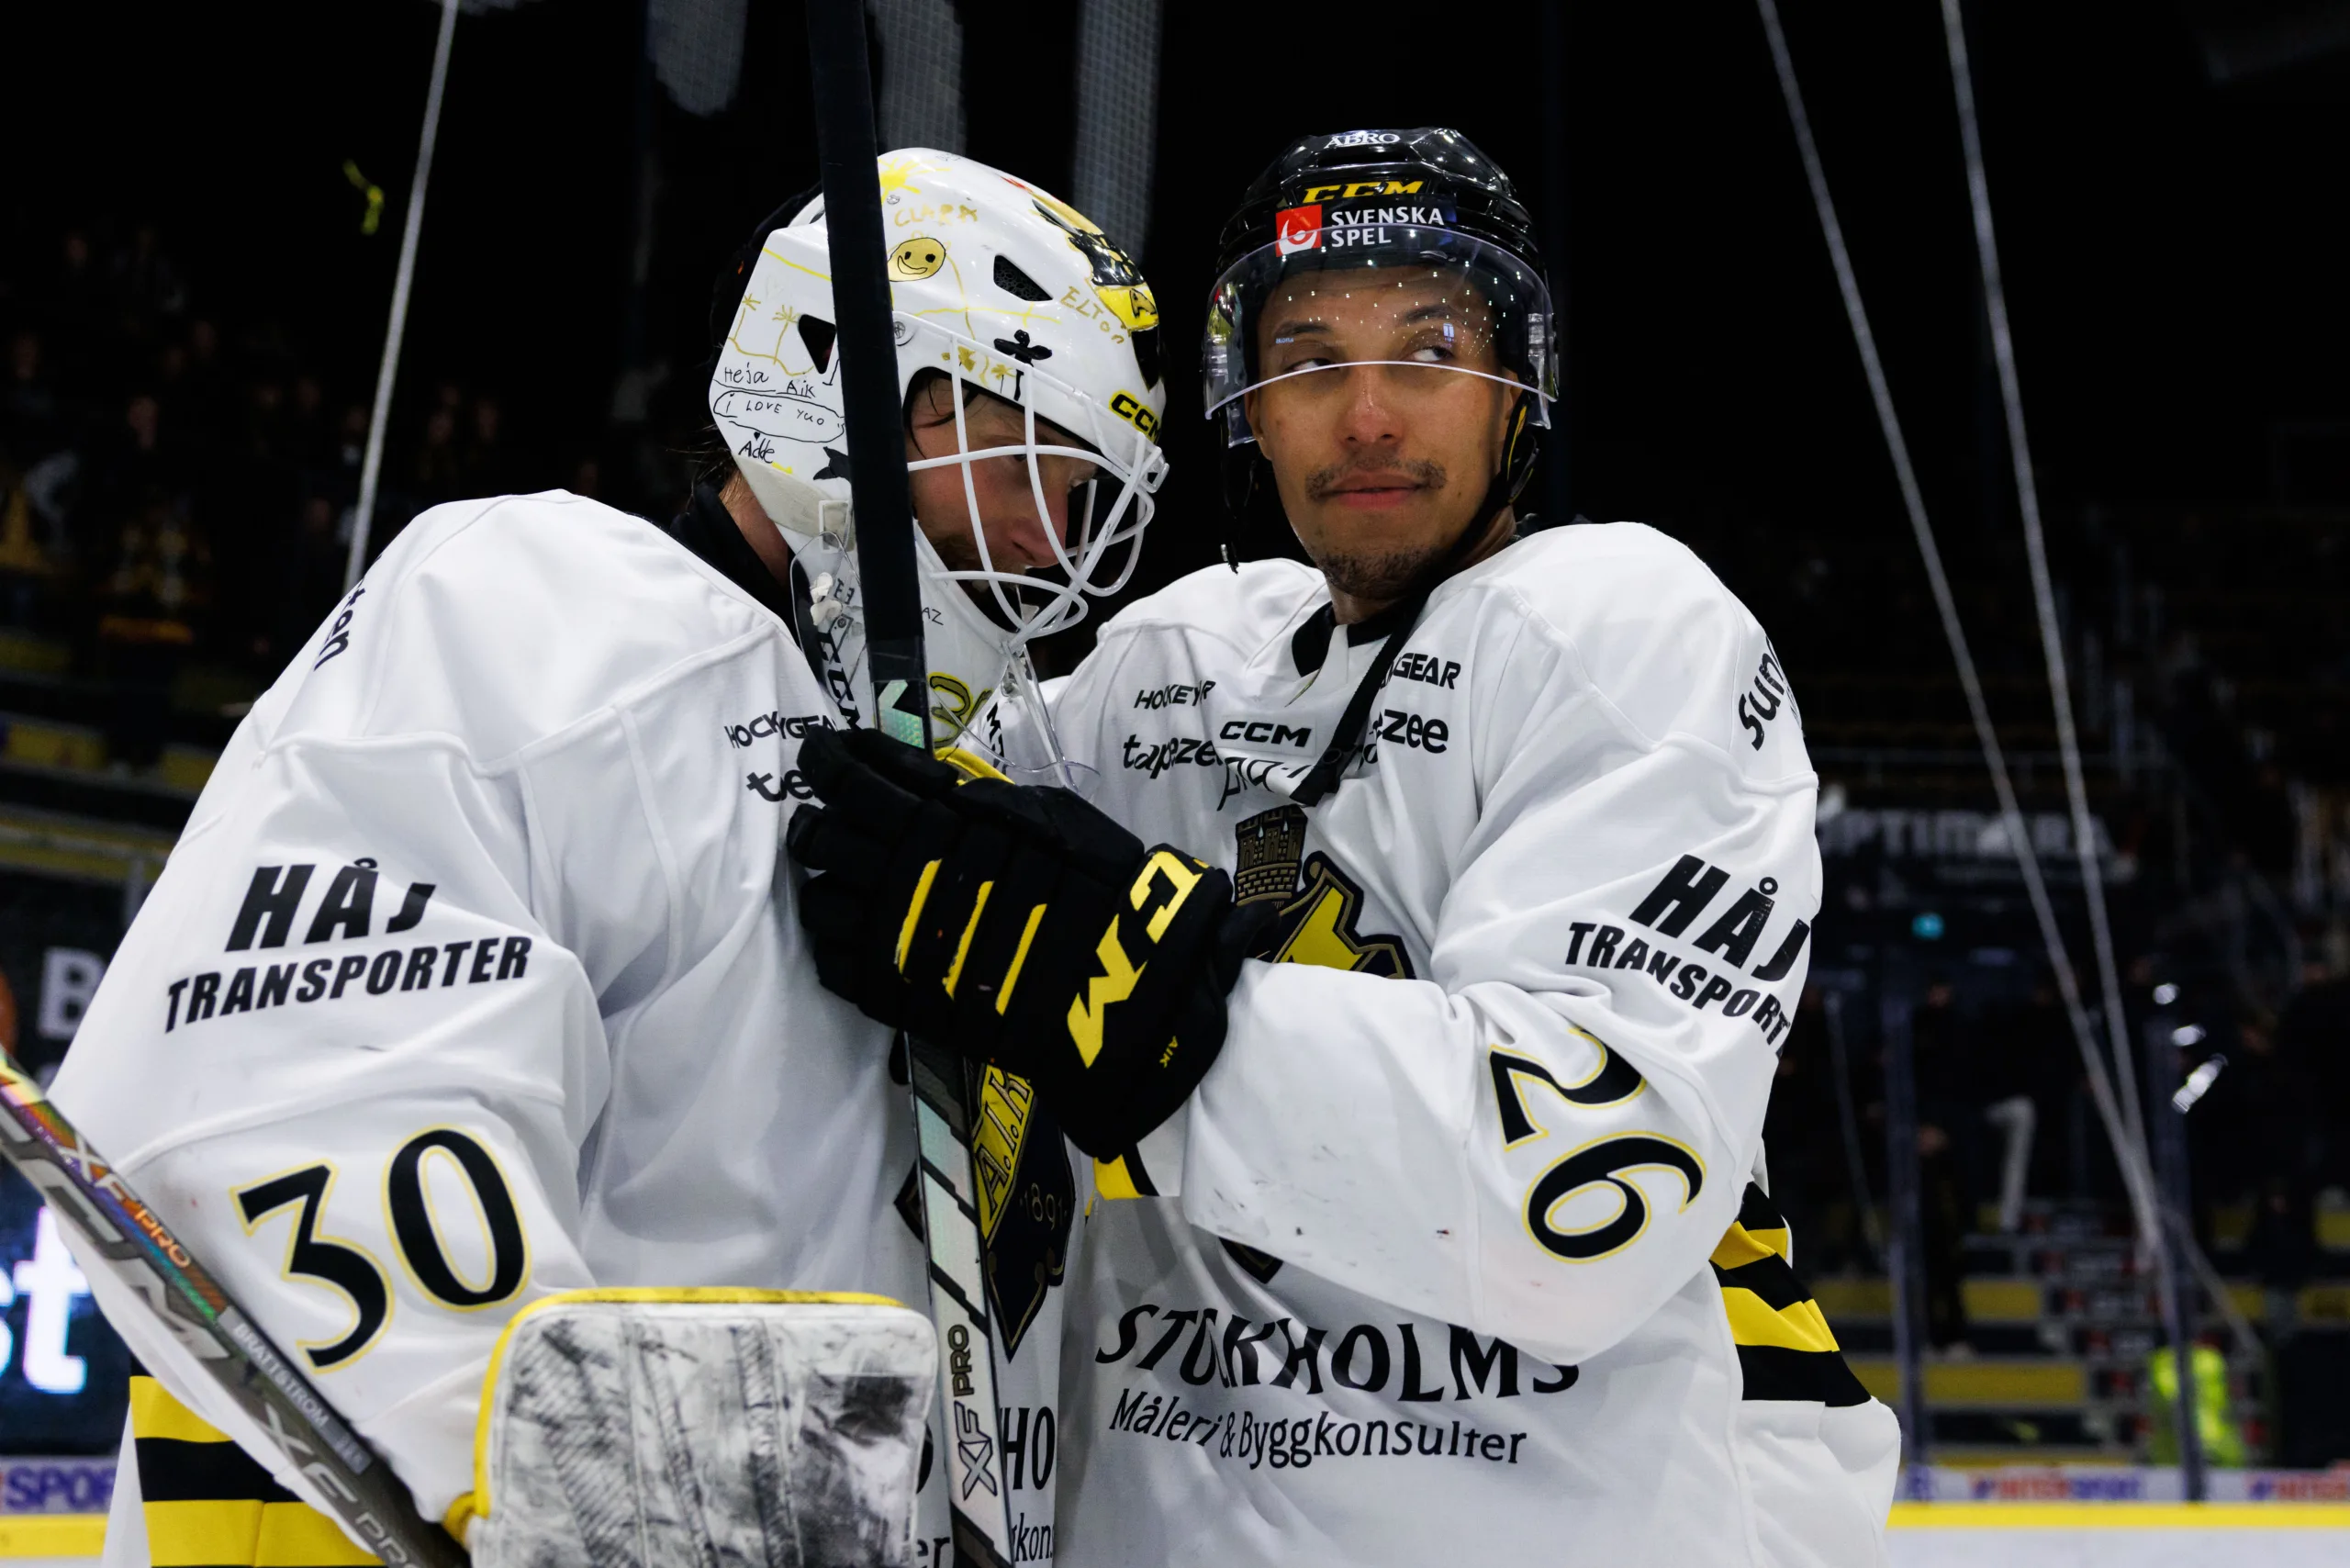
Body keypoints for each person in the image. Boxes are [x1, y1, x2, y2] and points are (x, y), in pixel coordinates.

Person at [788, 129, 1897, 1565]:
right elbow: (909, 834)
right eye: (1307, 359)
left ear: (1522, 388)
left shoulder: (1625, 635)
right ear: (1247, 403)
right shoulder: (1164, 670)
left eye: (1427, 348)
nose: (1365, 413)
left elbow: (1578, 1189)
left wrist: (1126, 995)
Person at [49, 148, 1167, 1568]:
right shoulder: (548, 616)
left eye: (1083, 509)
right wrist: (585, 1491)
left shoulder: (982, 784)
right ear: (863, 400)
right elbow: (294, 1094)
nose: (1048, 549)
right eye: (1036, 477)